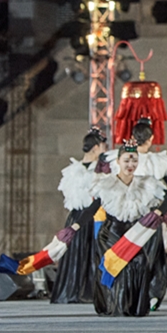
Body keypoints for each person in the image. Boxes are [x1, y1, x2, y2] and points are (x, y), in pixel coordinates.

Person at [90, 139, 167, 317]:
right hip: (111, 234)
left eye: (134, 160)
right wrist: (73, 228)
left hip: (135, 233)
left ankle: (134, 306)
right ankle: (116, 306)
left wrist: (157, 213)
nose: (130, 164)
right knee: (120, 268)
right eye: (126, 160)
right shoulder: (106, 184)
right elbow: (91, 209)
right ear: (118, 162)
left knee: (141, 263)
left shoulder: (146, 183)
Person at [49, 127, 106, 304]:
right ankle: (82, 291)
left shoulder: (74, 169)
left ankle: (79, 291)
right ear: (96, 147)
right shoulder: (89, 170)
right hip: (88, 216)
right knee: (84, 253)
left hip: (80, 216)